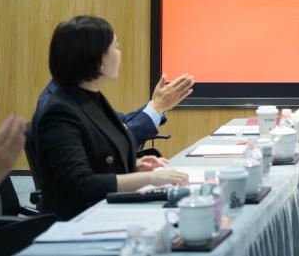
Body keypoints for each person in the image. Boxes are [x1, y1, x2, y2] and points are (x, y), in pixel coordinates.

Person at [33, 16, 188, 220]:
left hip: (104, 211)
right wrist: (149, 178)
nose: (120, 53)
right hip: (81, 222)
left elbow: (101, 151)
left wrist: (133, 165)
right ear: (96, 58)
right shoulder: (60, 112)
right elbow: (81, 185)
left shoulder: (90, 97)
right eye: (115, 46)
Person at [36, 72, 193, 150]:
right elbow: (114, 146)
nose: (117, 55)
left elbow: (121, 122)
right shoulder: (58, 108)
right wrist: (156, 107)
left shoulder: (76, 94)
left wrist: (157, 106)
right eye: (113, 48)